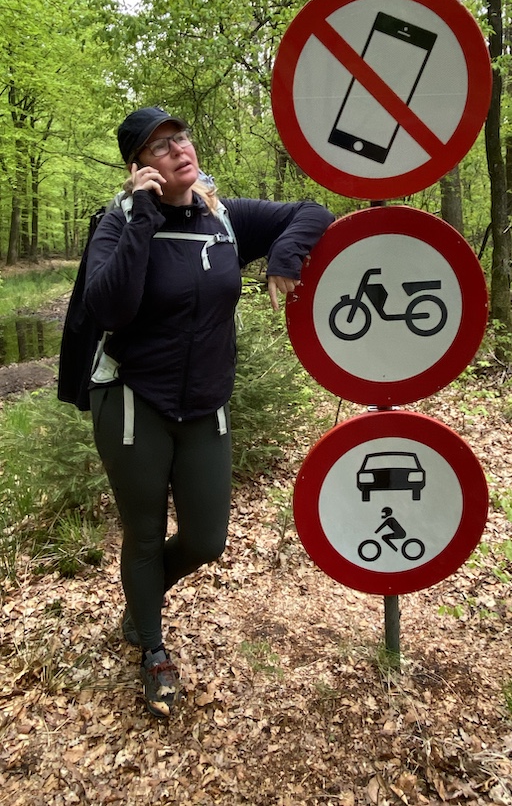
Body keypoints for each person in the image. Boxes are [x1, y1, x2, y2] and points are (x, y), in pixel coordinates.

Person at [83, 106, 334, 718]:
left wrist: (283, 258)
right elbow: (108, 307)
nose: (178, 150)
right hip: (133, 399)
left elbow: (313, 212)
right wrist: (142, 216)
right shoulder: (119, 223)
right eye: (160, 146)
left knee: (206, 538)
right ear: (139, 166)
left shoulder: (222, 217)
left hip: (205, 403)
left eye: (181, 138)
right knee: (144, 533)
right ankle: (152, 648)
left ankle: (140, 599)